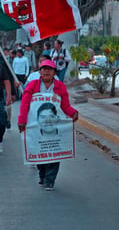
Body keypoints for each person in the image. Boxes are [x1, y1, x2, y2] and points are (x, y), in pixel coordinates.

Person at [18, 60, 78, 191]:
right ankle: (42, 174)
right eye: (44, 69)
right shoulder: (32, 85)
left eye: (50, 69)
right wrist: (22, 120)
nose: (46, 71)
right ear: (40, 72)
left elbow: (65, 105)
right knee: (40, 151)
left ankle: (50, 180)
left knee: (55, 152)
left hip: (54, 126)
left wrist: (73, 113)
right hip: (36, 125)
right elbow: (25, 104)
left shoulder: (60, 87)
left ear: (54, 72)